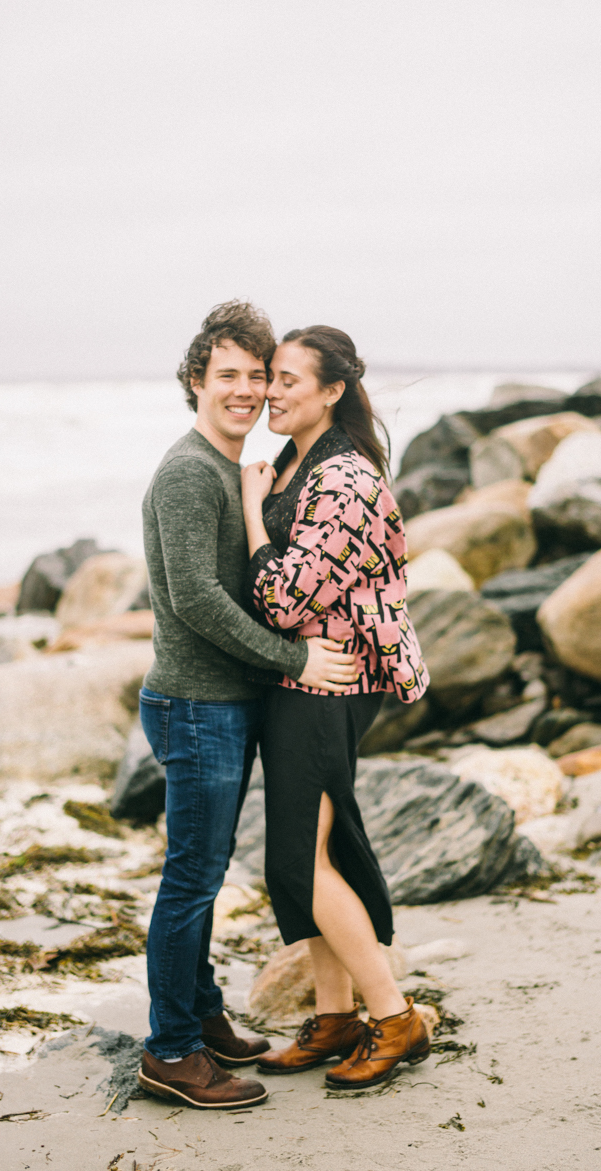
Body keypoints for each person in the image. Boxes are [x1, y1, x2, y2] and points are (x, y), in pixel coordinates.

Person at [136, 302, 359, 1111]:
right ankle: (169, 1052)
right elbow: (197, 599)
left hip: (219, 704)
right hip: (196, 705)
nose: (245, 389)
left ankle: (199, 1017)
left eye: (257, 375)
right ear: (196, 380)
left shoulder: (229, 469)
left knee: (200, 872)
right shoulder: (190, 472)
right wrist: (294, 657)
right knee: (191, 881)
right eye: (226, 374)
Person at [240, 325, 431, 1090]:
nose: (271, 392)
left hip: (334, 682)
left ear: (332, 392)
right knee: (308, 858)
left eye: (287, 379)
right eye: (269, 377)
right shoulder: (297, 461)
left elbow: (287, 599)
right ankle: (336, 1016)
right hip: (302, 681)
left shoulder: (345, 478)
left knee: (297, 859)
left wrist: (253, 508)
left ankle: (394, 1018)